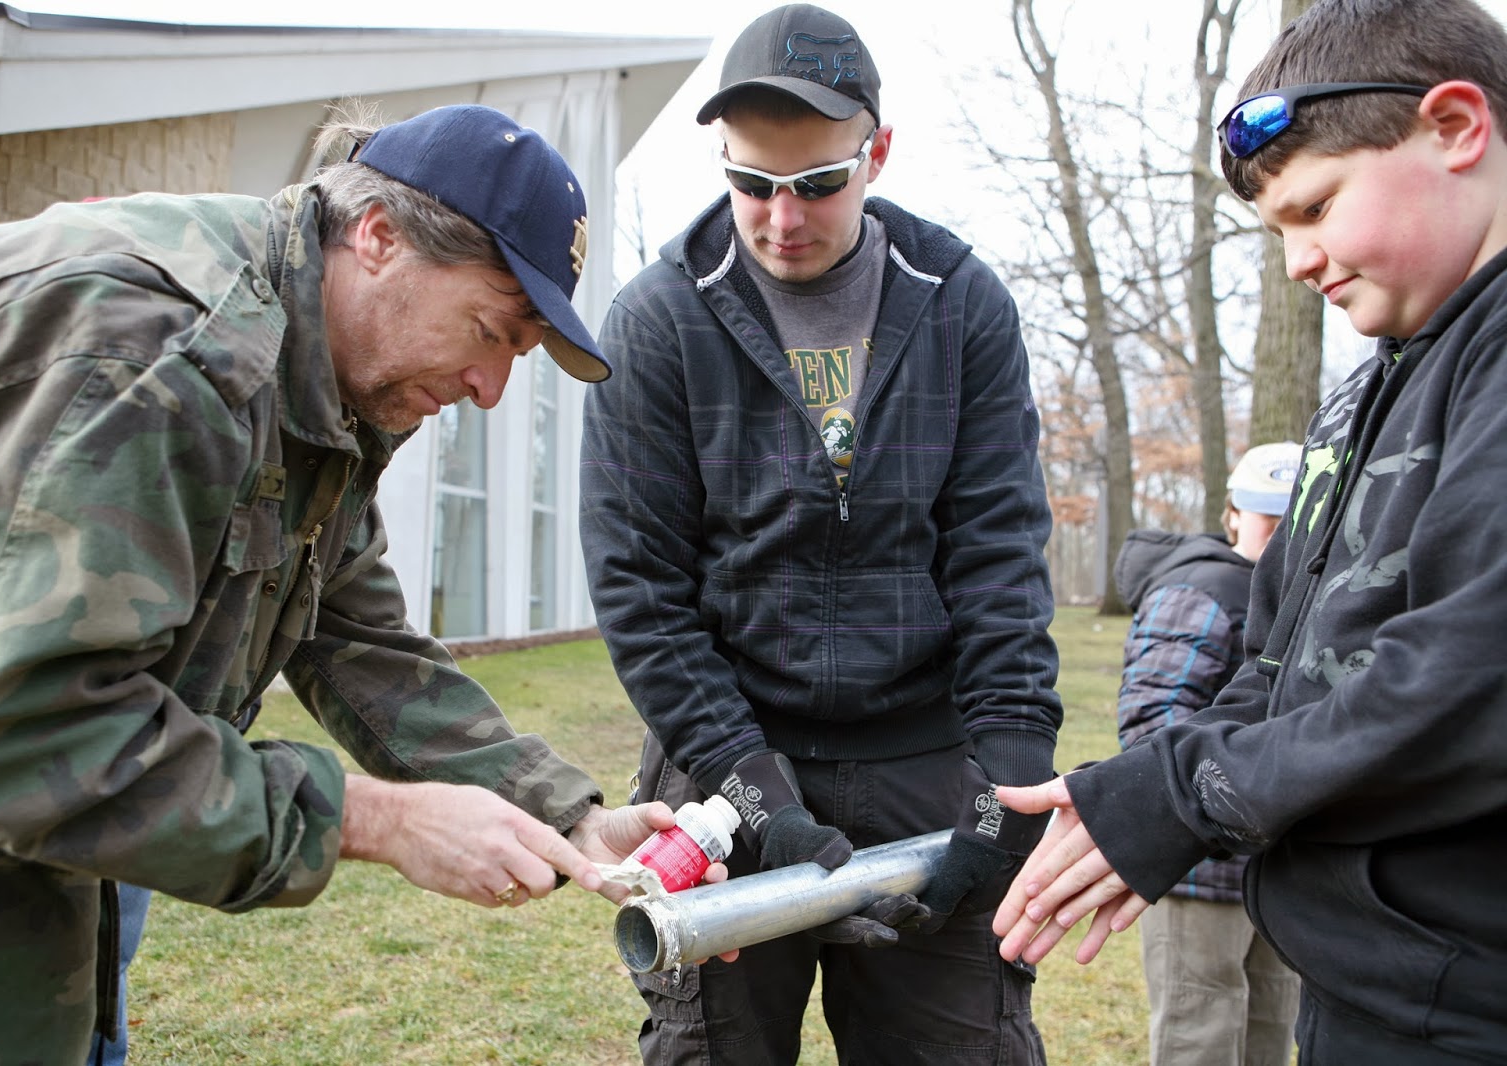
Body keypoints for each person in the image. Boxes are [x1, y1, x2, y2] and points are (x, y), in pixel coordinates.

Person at [0, 102, 701, 1062]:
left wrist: (568, 814)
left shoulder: (317, 381)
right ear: (379, 238)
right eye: (491, 331)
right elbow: (29, 733)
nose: (490, 391)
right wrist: (381, 820)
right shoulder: (168, 352)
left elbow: (357, 637)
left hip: (47, 843)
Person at [992, 0, 1507, 1061]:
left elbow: (1467, 678)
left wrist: (1187, 796)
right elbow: (1280, 667)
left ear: (1457, 127)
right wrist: (1148, 786)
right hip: (1363, 986)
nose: (1297, 262)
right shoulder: (1366, 393)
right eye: (1278, 231)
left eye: (1316, 207)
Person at [579, 5, 1063, 1062]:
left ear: (875, 152)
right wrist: (753, 792)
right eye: (750, 183)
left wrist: (1007, 785)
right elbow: (642, 594)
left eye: (817, 183)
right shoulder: (659, 321)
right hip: (726, 766)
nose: (781, 218)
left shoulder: (960, 306)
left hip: (925, 765)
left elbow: (998, 562)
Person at [1113, 442, 1304, 1066]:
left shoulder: (1303, 599)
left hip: (1278, 864)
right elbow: (1152, 723)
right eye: (1266, 514)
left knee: (1271, 1033)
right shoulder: (1201, 589)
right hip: (1200, 866)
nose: (1280, 530)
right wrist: (1224, 817)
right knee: (1201, 1037)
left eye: (1295, 514)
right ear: (1234, 513)